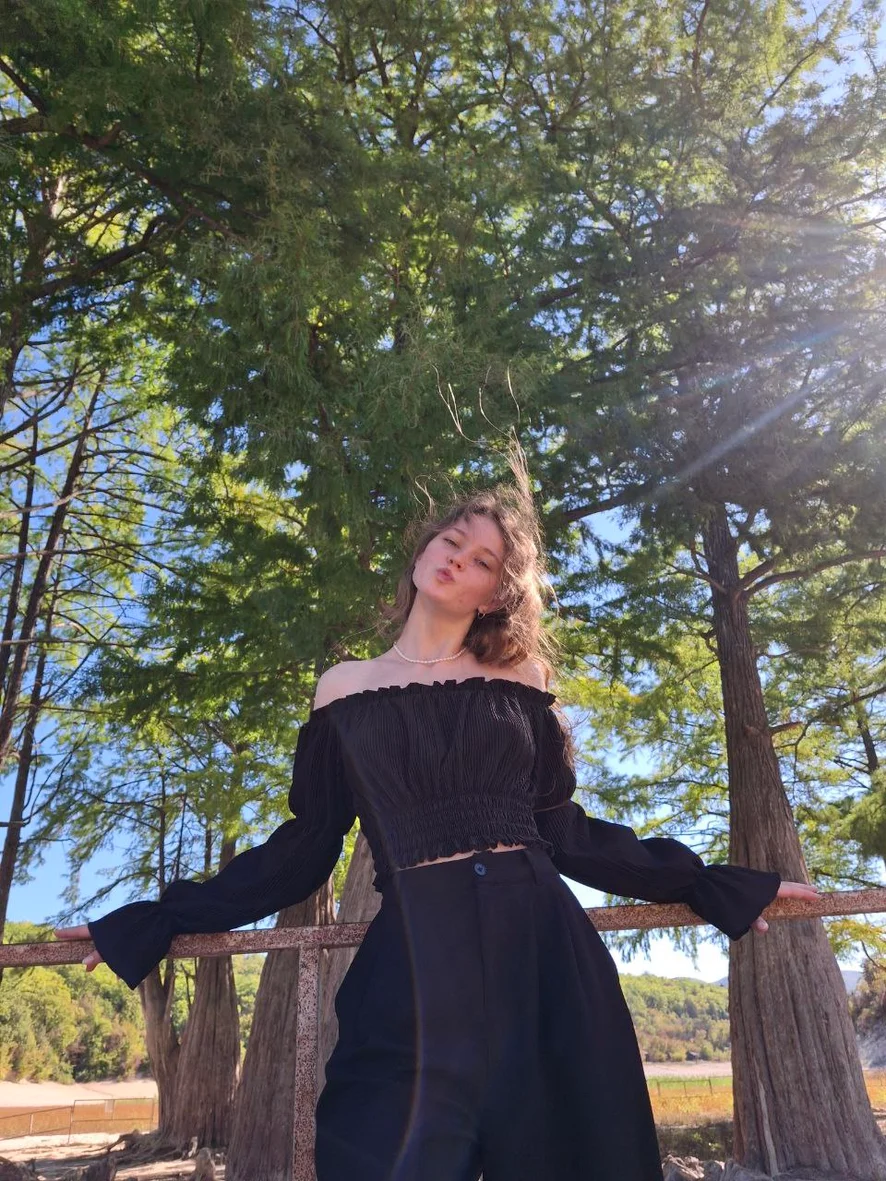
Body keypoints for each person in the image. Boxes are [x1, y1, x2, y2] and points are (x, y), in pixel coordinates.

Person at [54, 459, 816, 1181]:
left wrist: (708, 883)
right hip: (414, 956)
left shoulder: (521, 679)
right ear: (423, 550)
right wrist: (159, 918)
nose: (457, 558)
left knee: (577, 1153)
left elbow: (564, 829)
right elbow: (306, 844)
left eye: (483, 560)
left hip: (541, 946)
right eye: (452, 540)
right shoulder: (344, 687)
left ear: (495, 594)